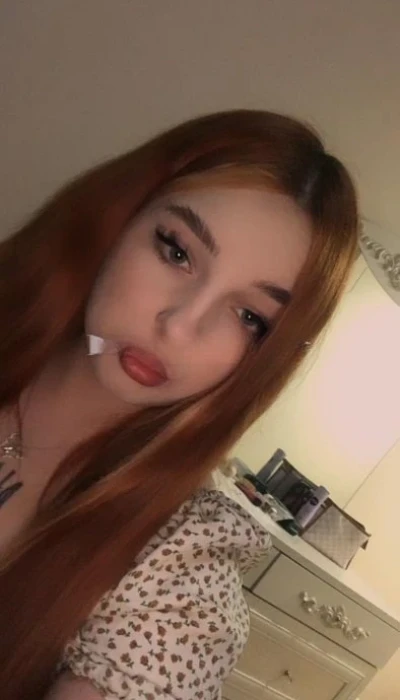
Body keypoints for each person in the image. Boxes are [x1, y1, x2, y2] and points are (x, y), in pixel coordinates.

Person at [0, 109, 359, 699]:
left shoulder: (180, 569)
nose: (181, 325)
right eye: (176, 251)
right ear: (118, 218)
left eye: (250, 317)